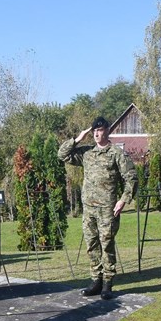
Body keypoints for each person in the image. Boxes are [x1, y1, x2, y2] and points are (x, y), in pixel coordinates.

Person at [59, 117, 137, 299]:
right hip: (89, 210)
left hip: (107, 209)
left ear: (107, 130)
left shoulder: (117, 154)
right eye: (94, 130)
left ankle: (108, 283)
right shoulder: (87, 153)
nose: (96, 133)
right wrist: (78, 139)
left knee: (107, 245)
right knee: (91, 245)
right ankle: (96, 280)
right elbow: (62, 155)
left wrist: (123, 200)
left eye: (100, 130)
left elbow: (131, 178)